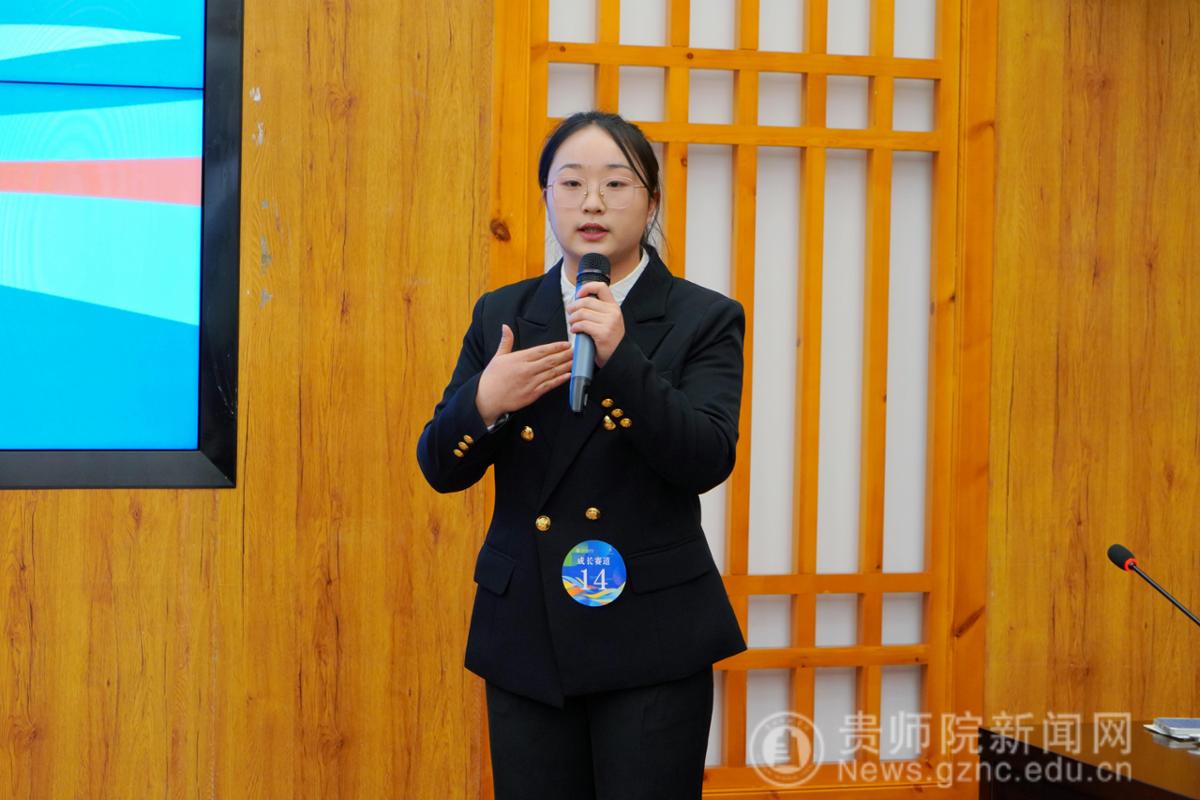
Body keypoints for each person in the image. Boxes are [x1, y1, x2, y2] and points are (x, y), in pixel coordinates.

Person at [416, 110, 747, 799]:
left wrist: (622, 358)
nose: (592, 203)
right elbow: (440, 467)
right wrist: (486, 401)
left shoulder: (703, 317)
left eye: (616, 184)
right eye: (571, 183)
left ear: (651, 203)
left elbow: (706, 458)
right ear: (547, 198)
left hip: (652, 633)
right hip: (527, 631)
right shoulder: (503, 314)